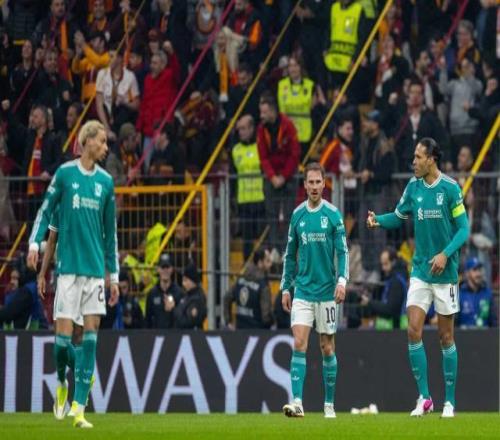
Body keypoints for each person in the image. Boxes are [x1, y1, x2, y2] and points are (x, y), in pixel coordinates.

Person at [366, 137, 470, 418]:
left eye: (418, 157)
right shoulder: (413, 187)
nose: (413, 162)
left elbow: (464, 229)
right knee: (413, 330)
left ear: (431, 160)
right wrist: (379, 220)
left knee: (446, 337)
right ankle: (425, 398)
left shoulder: (450, 188)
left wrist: (445, 254)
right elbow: (398, 216)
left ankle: (449, 402)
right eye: (413, 157)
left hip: (445, 273)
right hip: (421, 271)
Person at [27, 120, 119, 428]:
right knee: (62, 344)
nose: (105, 147)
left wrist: (113, 275)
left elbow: (111, 234)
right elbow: (46, 212)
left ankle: (79, 409)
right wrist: (34, 245)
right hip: (67, 272)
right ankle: (62, 382)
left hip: (94, 274)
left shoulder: (106, 182)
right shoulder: (65, 175)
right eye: (102, 141)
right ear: (87, 141)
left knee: (89, 339)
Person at [281, 162, 349, 419]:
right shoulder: (297, 215)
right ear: (304, 184)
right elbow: (290, 255)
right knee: (299, 342)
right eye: (310, 182)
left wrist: (342, 282)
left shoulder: (333, 215)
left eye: (318, 182)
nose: (314, 186)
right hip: (303, 291)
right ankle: (297, 402)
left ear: (324, 184)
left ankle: (329, 404)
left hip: (327, 292)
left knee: (327, 348)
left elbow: (343, 252)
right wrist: (285, 287)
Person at [257, 94, 300, 251]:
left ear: (273, 111)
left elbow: (294, 155)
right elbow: (263, 157)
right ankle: (275, 249)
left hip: (288, 176)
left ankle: (288, 250)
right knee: (271, 215)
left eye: (264, 112)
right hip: (271, 178)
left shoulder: (288, 126)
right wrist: (272, 177)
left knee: (289, 214)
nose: (261, 116)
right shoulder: (261, 129)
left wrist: (283, 176)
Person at [232, 114, 265, 260]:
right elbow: (232, 175)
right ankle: (247, 266)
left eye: (244, 128)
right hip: (243, 200)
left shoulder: (260, 147)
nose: (241, 132)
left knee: (262, 237)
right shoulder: (235, 150)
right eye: (239, 129)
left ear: (252, 129)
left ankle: (263, 265)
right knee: (246, 239)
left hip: (260, 199)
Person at [223, 247, 273, 329]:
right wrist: (273, 322)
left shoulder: (241, 278)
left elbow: (227, 298)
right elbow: (266, 316)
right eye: (267, 261)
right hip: (257, 332)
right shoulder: (263, 285)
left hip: (240, 330)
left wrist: (228, 322)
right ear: (260, 262)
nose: (270, 264)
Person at [361, 247, 408, 330]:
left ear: (393, 262)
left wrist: (369, 302)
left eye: (386, 264)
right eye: (382, 264)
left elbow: (390, 309)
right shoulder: (394, 278)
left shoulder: (396, 282)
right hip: (394, 329)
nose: (383, 268)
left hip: (396, 330)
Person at [145, 253, 183, 329]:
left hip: (174, 334)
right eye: (163, 267)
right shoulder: (152, 293)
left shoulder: (179, 292)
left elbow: (183, 318)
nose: (165, 270)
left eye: (167, 267)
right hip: (156, 334)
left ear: (172, 269)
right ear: (158, 269)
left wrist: (173, 309)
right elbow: (147, 320)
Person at [457, 257, 497, 328]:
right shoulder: (459, 294)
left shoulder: (488, 293)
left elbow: (494, 322)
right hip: (464, 334)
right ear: (467, 273)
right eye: (475, 270)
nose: (478, 274)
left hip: (484, 334)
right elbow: (454, 323)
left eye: (480, 270)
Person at [174, 263, 207, 329]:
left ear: (193, 281)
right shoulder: (188, 295)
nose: (183, 284)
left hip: (191, 334)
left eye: (185, 280)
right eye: (183, 280)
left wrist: (173, 309)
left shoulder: (197, 299)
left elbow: (187, 323)